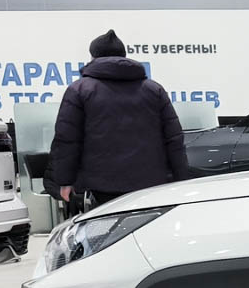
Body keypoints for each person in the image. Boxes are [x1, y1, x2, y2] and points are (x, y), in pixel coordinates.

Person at [50, 30, 192, 211]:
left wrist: (65, 181)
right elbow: (173, 139)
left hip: (101, 185)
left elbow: (67, 139)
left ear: (93, 57)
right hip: (150, 183)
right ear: (124, 56)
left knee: (107, 227)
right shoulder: (154, 90)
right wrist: (181, 178)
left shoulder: (79, 90)